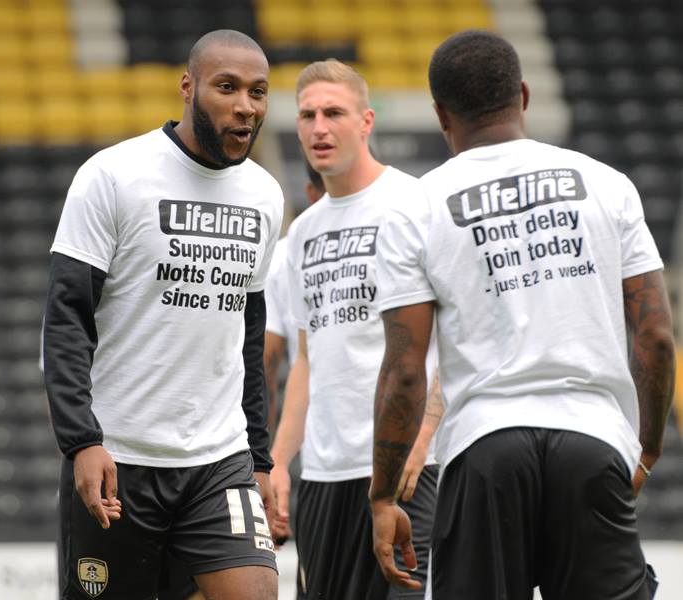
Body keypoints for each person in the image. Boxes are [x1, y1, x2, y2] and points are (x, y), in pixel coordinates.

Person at [370, 30, 676, 600]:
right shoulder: (607, 184)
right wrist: (648, 448)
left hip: (485, 450)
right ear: (524, 96)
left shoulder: (415, 207)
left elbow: (405, 371)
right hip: (592, 441)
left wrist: (383, 496)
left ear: (441, 114)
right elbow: (656, 336)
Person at [43, 29, 283, 600]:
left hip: (219, 460)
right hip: (120, 457)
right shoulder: (113, 175)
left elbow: (247, 338)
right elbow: (67, 317)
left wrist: (260, 457)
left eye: (258, 92)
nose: (245, 106)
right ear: (188, 87)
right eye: (227, 87)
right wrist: (82, 442)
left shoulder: (265, 195)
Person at [269, 59, 442, 599]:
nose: (319, 128)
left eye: (334, 113)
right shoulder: (302, 233)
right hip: (324, 477)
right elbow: (307, 361)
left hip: (406, 468)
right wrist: (279, 461)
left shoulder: (416, 204)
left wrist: (424, 437)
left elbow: (458, 338)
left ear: (366, 121)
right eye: (308, 115)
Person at [263, 163, 325, 435]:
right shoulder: (285, 254)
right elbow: (266, 363)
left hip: (309, 437)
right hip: (309, 438)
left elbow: (265, 367)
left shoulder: (282, 254)